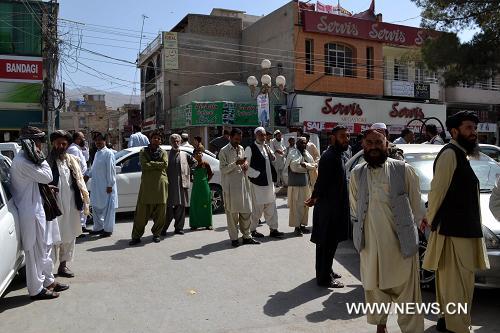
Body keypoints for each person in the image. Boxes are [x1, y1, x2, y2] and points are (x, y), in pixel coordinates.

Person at [349, 129, 424, 333]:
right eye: (370, 142)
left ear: (386, 144)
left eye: (378, 142)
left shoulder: (403, 170)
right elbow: (355, 209)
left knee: (407, 292)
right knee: (374, 288)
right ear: (363, 146)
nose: (374, 147)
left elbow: (418, 209)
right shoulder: (357, 173)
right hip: (371, 244)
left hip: (401, 244)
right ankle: (380, 326)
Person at [422, 111, 489, 333]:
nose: (474, 133)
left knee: (453, 283)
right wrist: (429, 221)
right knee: (457, 285)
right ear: (454, 131)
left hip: (461, 232)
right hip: (453, 234)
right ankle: (458, 328)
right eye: (469, 128)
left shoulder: (460, 154)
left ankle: (446, 321)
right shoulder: (450, 154)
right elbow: (437, 191)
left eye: (475, 128)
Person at [11, 126, 69, 300]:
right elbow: (47, 176)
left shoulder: (27, 160)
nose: (41, 145)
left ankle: (48, 281)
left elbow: (38, 181)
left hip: (37, 210)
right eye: (38, 142)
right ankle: (36, 289)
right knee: (34, 253)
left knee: (44, 250)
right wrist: (39, 157)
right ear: (29, 143)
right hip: (30, 214)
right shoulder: (23, 161)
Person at [305, 126, 350, 289]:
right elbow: (321, 181)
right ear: (333, 138)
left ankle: (327, 270)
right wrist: (314, 197)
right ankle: (324, 278)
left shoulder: (338, 155)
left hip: (336, 207)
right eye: (342, 136)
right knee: (326, 243)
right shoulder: (329, 156)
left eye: (347, 136)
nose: (346, 139)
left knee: (331, 243)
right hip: (328, 209)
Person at [47, 130, 90, 278]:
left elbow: (79, 179)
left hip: (71, 205)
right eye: (58, 143)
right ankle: (48, 272)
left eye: (64, 143)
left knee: (70, 235)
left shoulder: (71, 161)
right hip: (55, 206)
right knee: (53, 237)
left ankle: (63, 266)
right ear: (53, 143)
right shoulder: (47, 162)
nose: (61, 146)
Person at [219, 129, 260, 247]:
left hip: (243, 185)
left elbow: (243, 163)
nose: (238, 141)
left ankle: (247, 236)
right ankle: (234, 239)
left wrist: (245, 165)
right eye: (236, 139)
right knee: (232, 215)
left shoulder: (241, 148)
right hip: (231, 187)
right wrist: (236, 163)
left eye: (239, 139)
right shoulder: (224, 151)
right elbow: (223, 169)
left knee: (247, 212)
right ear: (230, 138)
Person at [129, 130, 168, 245]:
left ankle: (156, 234)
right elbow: (144, 165)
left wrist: (151, 163)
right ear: (150, 139)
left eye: (158, 138)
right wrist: (157, 164)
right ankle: (136, 236)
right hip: (147, 186)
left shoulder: (163, 152)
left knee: (160, 212)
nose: (156, 140)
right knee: (141, 213)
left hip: (161, 185)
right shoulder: (143, 151)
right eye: (154, 137)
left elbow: (165, 164)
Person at [245, 127, 284, 239]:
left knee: (271, 207)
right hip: (257, 184)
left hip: (268, 183)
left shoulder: (266, 147)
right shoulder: (250, 148)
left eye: (264, 135)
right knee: (257, 208)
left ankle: (273, 229)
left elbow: (273, 159)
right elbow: (246, 166)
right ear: (255, 135)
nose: (263, 137)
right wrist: (256, 175)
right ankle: (252, 230)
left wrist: (271, 151)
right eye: (261, 135)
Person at [161, 134, 196, 236]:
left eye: (177, 141)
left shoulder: (184, 154)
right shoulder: (166, 155)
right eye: (173, 141)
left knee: (180, 207)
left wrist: (189, 171)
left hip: (181, 185)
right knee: (168, 209)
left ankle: (179, 228)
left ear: (180, 142)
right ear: (170, 143)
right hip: (169, 186)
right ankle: (163, 228)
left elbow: (195, 163)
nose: (176, 143)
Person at [87, 133, 118, 238]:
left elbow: (111, 170)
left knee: (108, 209)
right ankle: (98, 228)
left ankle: (108, 229)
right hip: (96, 186)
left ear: (105, 141)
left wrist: (110, 185)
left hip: (106, 186)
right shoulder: (97, 153)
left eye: (100, 140)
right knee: (95, 207)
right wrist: (86, 175)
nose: (98, 142)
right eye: (96, 141)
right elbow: (93, 169)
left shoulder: (108, 153)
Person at [285, 137, 317, 236]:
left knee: (305, 206)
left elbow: (314, 165)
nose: (304, 145)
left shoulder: (306, 154)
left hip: (306, 184)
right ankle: (297, 227)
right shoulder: (293, 153)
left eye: (305, 143)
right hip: (295, 185)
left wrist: (306, 166)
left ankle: (302, 225)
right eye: (302, 143)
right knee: (296, 207)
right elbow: (295, 167)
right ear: (297, 143)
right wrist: (308, 168)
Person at [67, 131, 90, 234]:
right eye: (82, 138)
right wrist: (81, 179)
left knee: (84, 201)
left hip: (82, 179)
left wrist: (85, 148)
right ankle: (79, 228)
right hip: (79, 179)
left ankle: (82, 225)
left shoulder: (78, 149)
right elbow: (76, 166)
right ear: (77, 139)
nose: (83, 140)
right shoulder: (73, 149)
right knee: (80, 203)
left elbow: (86, 159)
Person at [189, 145, 214, 231]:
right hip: (196, 187)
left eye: (200, 153)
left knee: (206, 204)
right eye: (196, 153)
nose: (198, 154)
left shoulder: (205, 164)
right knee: (195, 205)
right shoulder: (193, 166)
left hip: (204, 186)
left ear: (202, 154)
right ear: (194, 156)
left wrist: (206, 181)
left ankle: (208, 224)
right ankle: (194, 224)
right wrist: (194, 181)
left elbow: (210, 174)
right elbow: (190, 176)